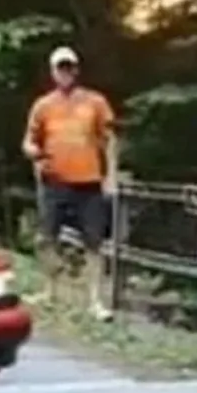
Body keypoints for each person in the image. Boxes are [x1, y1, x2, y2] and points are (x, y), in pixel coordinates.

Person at [22, 46, 119, 320]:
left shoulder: (95, 102)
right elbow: (29, 140)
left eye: (69, 67)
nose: (65, 72)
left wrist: (110, 176)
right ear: (53, 72)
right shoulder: (43, 105)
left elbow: (110, 139)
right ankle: (50, 291)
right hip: (54, 181)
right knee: (46, 239)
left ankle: (95, 301)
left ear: (76, 70)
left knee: (94, 243)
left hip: (88, 182)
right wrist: (32, 151)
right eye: (59, 68)